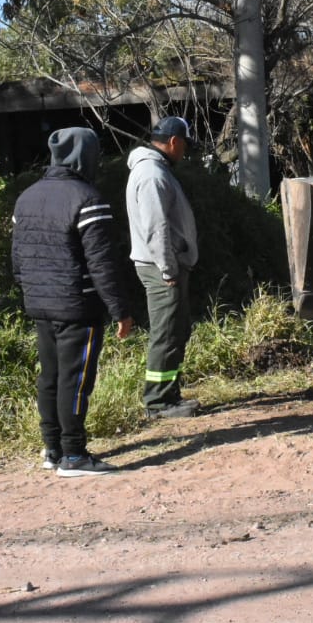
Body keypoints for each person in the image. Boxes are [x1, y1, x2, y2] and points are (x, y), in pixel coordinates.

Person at [12, 127, 136, 477]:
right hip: (77, 305)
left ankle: (52, 449)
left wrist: (30, 290)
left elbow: (17, 259)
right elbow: (102, 263)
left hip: (40, 303)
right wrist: (120, 310)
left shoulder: (27, 198)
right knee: (76, 379)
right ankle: (74, 455)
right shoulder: (87, 199)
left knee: (50, 376)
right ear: (86, 156)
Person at [127, 116, 201, 418]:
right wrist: (169, 269)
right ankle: (158, 403)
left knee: (176, 330)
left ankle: (170, 395)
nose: (184, 151)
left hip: (165, 266)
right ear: (173, 142)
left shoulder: (155, 170)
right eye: (183, 144)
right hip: (161, 269)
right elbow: (156, 228)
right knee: (166, 333)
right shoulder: (152, 174)